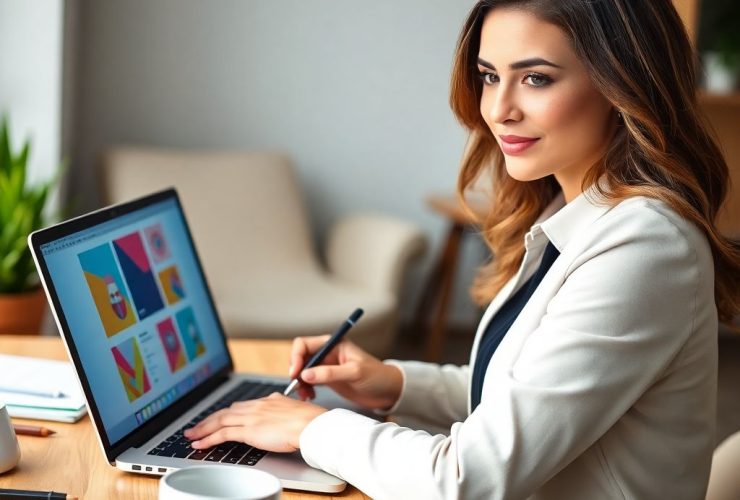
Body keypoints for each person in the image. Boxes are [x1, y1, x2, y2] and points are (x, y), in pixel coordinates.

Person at [185, 1, 740, 498]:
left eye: (537, 79)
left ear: (623, 85)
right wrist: (394, 383)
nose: (498, 109)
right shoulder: (569, 210)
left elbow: (468, 480)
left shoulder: (644, 248)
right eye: (488, 76)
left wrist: (308, 428)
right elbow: (525, 399)